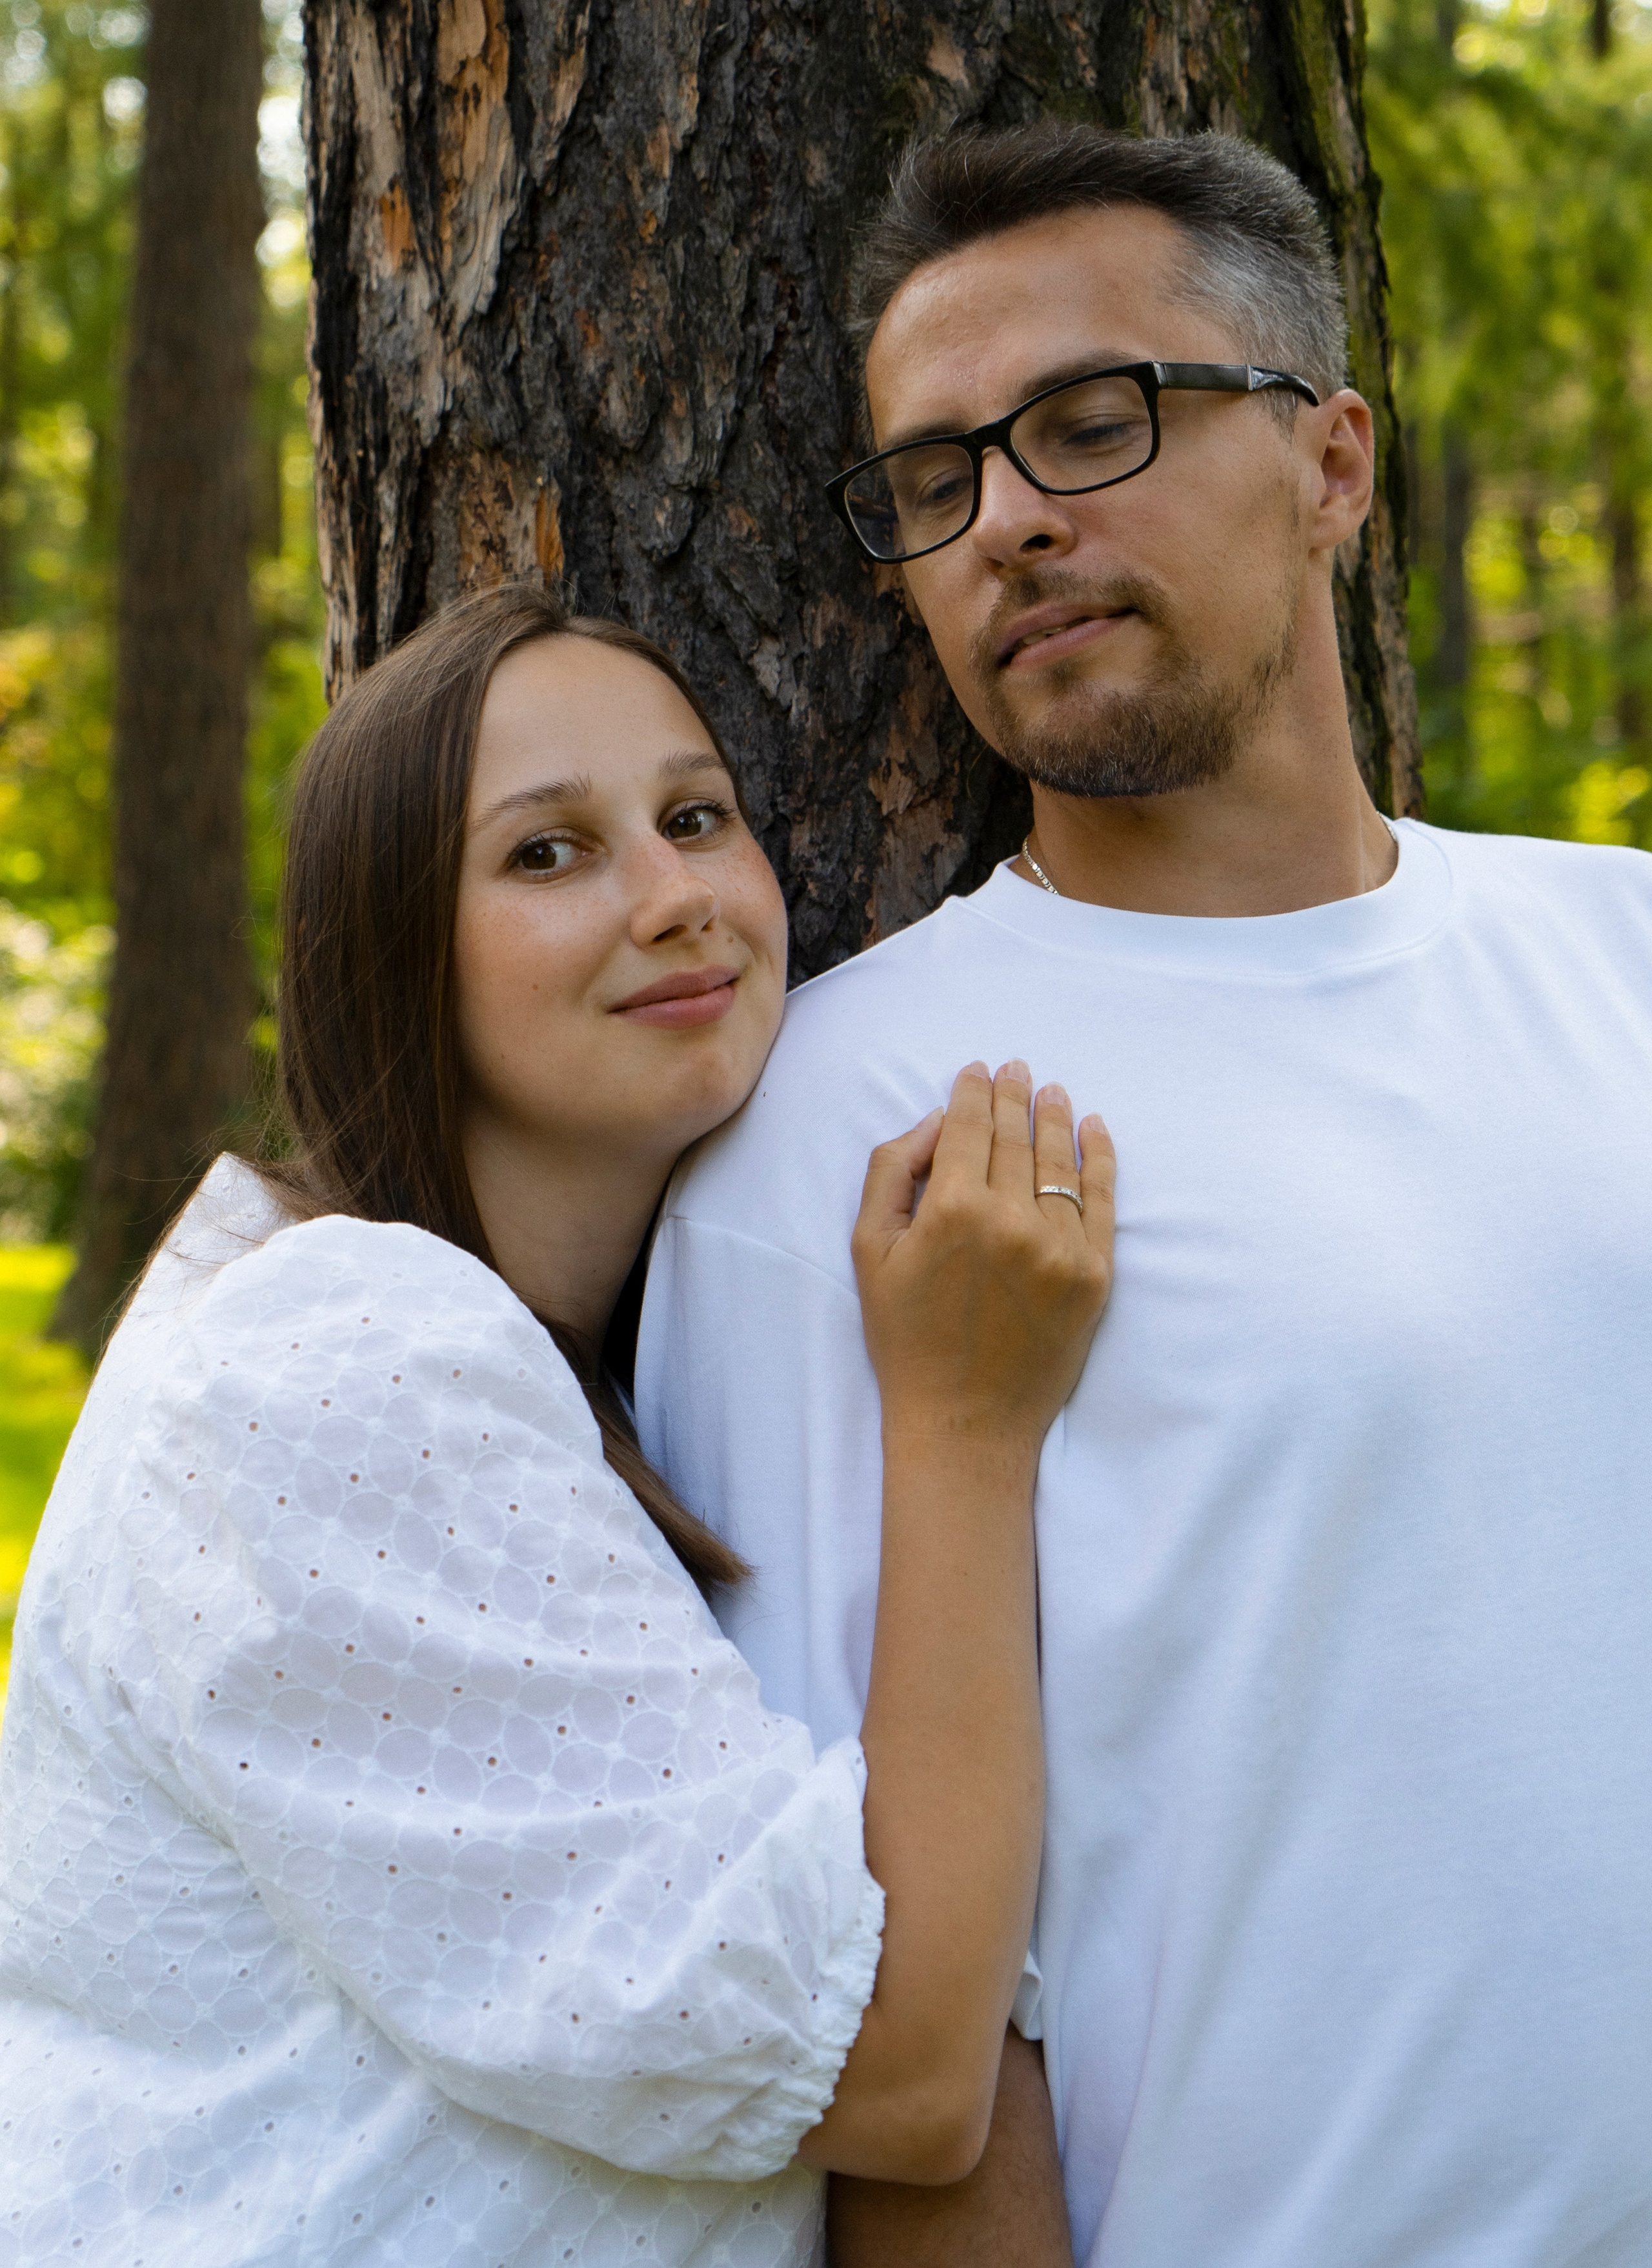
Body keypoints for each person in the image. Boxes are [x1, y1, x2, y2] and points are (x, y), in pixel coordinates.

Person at [639, 122, 1652, 2268]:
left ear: (1337, 469)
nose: (1010, 520)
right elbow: (886, 1990)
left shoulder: (1620, 959)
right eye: (939, 479)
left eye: (1096, 423)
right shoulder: (835, 1130)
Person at [0, 583, 1117, 2267]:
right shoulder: (340, 1365)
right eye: (546, 853)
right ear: (393, 945)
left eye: (694, 816)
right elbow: (895, 2067)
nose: (673, 897)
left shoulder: (508, 1371)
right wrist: (963, 1420)